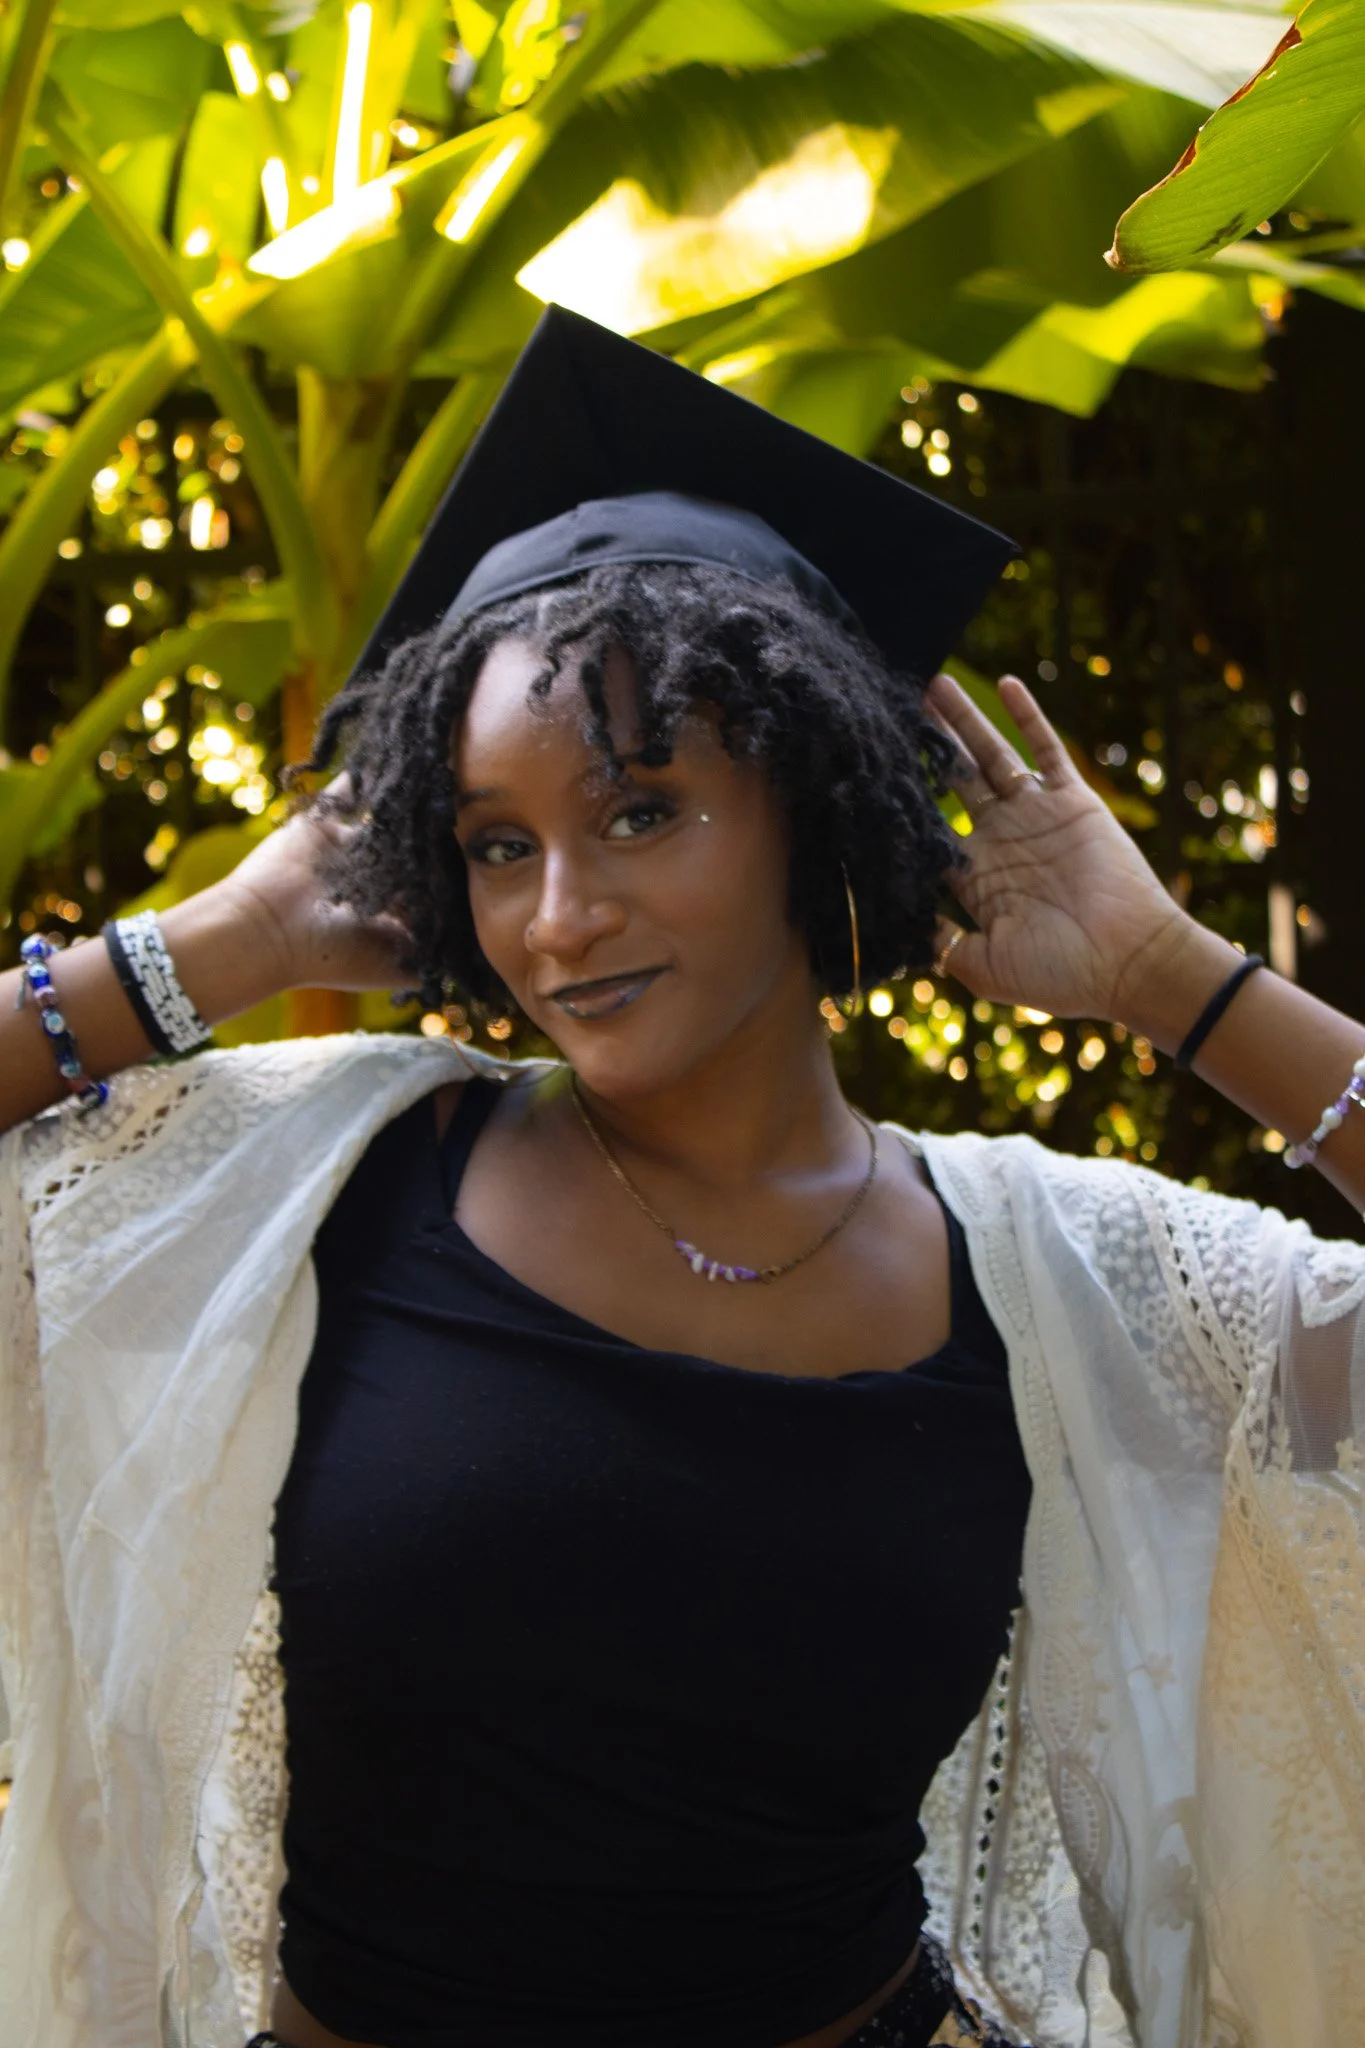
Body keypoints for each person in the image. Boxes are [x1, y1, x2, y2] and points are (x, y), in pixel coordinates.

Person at [0, 311, 1360, 2048]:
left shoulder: (1064, 1283)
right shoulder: (325, 1185)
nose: (559, 917)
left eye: (641, 812)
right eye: (500, 844)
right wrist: (222, 942)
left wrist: (1177, 979)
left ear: (814, 803)